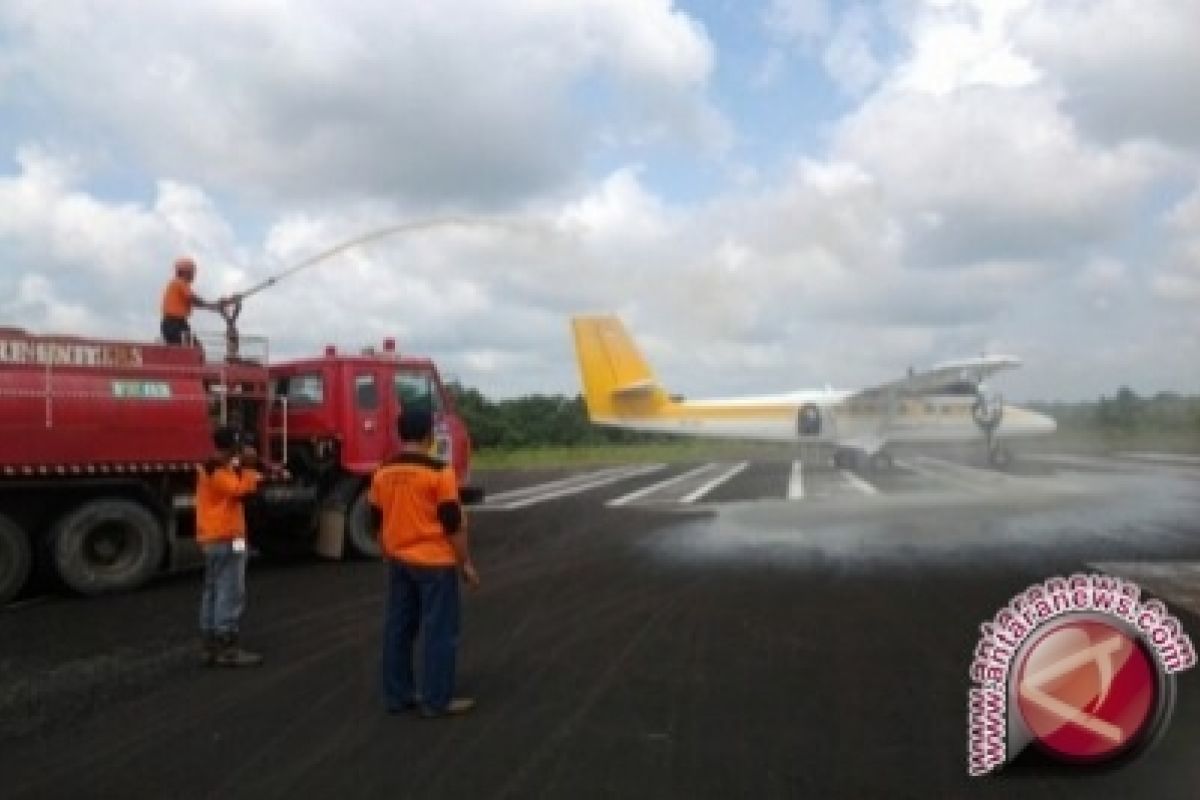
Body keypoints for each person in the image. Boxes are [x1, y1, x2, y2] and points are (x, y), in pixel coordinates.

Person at [371, 409, 480, 717]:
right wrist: (465, 563)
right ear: (429, 436)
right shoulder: (438, 472)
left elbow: (376, 521)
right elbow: (452, 523)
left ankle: (398, 695)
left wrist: (385, 551)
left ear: (400, 434)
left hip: (399, 561)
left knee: (398, 629)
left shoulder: (382, 471)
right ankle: (436, 699)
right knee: (439, 631)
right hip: (434, 562)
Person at [196, 425, 264, 667]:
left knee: (212, 590)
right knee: (231, 590)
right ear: (232, 447)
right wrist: (249, 468)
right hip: (228, 538)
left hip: (214, 538)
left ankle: (209, 642)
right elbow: (239, 491)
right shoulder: (217, 470)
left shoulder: (214, 466)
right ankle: (227, 647)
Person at [161, 257, 226, 345]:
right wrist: (213, 306)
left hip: (177, 323)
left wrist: (214, 305)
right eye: (192, 272)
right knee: (191, 350)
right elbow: (193, 299)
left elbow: (194, 301)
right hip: (174, 324)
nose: (193, 275)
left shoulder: (177, 284)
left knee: (191, 348)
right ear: (185, 272)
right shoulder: (180, 283)